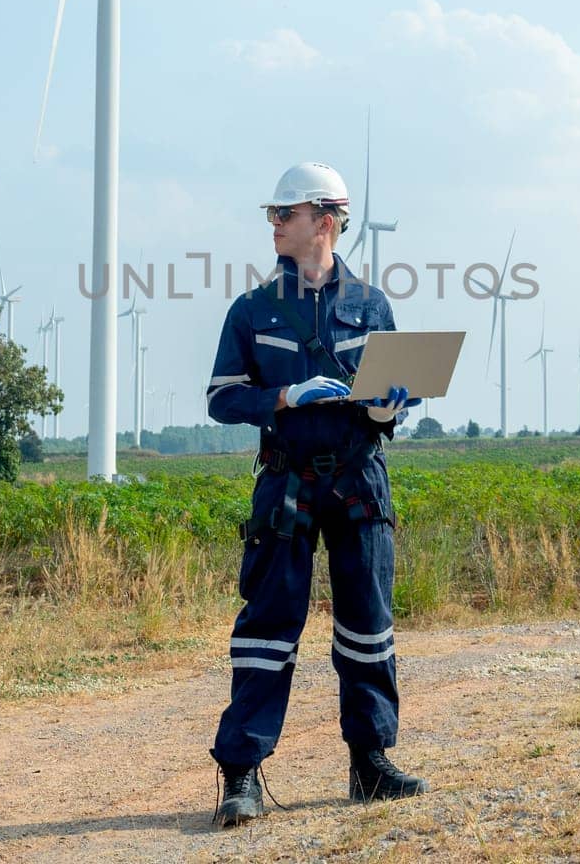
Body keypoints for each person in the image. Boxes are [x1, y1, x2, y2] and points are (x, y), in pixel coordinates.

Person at [205, 161, 429, 827]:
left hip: (360, 477)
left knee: (367, 625)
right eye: (272, 216)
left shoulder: (372, 304)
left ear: (323, 221)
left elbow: (402, 397)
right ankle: (240, 775)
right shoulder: (251, 310)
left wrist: (390, 409)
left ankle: (370, 763)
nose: (273, 225)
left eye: (285, 214)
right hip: (286, 480)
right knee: (267, 629)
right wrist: (282, 395)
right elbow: (220, 399)